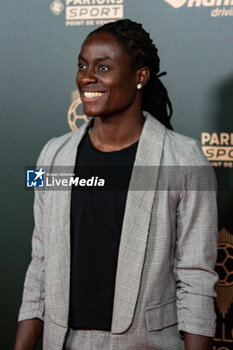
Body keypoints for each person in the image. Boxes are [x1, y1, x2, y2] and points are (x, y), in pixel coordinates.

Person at [14, 19, 218, 350]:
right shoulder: (52, 156)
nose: (86, 77)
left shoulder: (184, 159)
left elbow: (195, 279)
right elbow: (40, 265)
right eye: (82, 65)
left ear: (140, 76)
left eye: (103, 67)